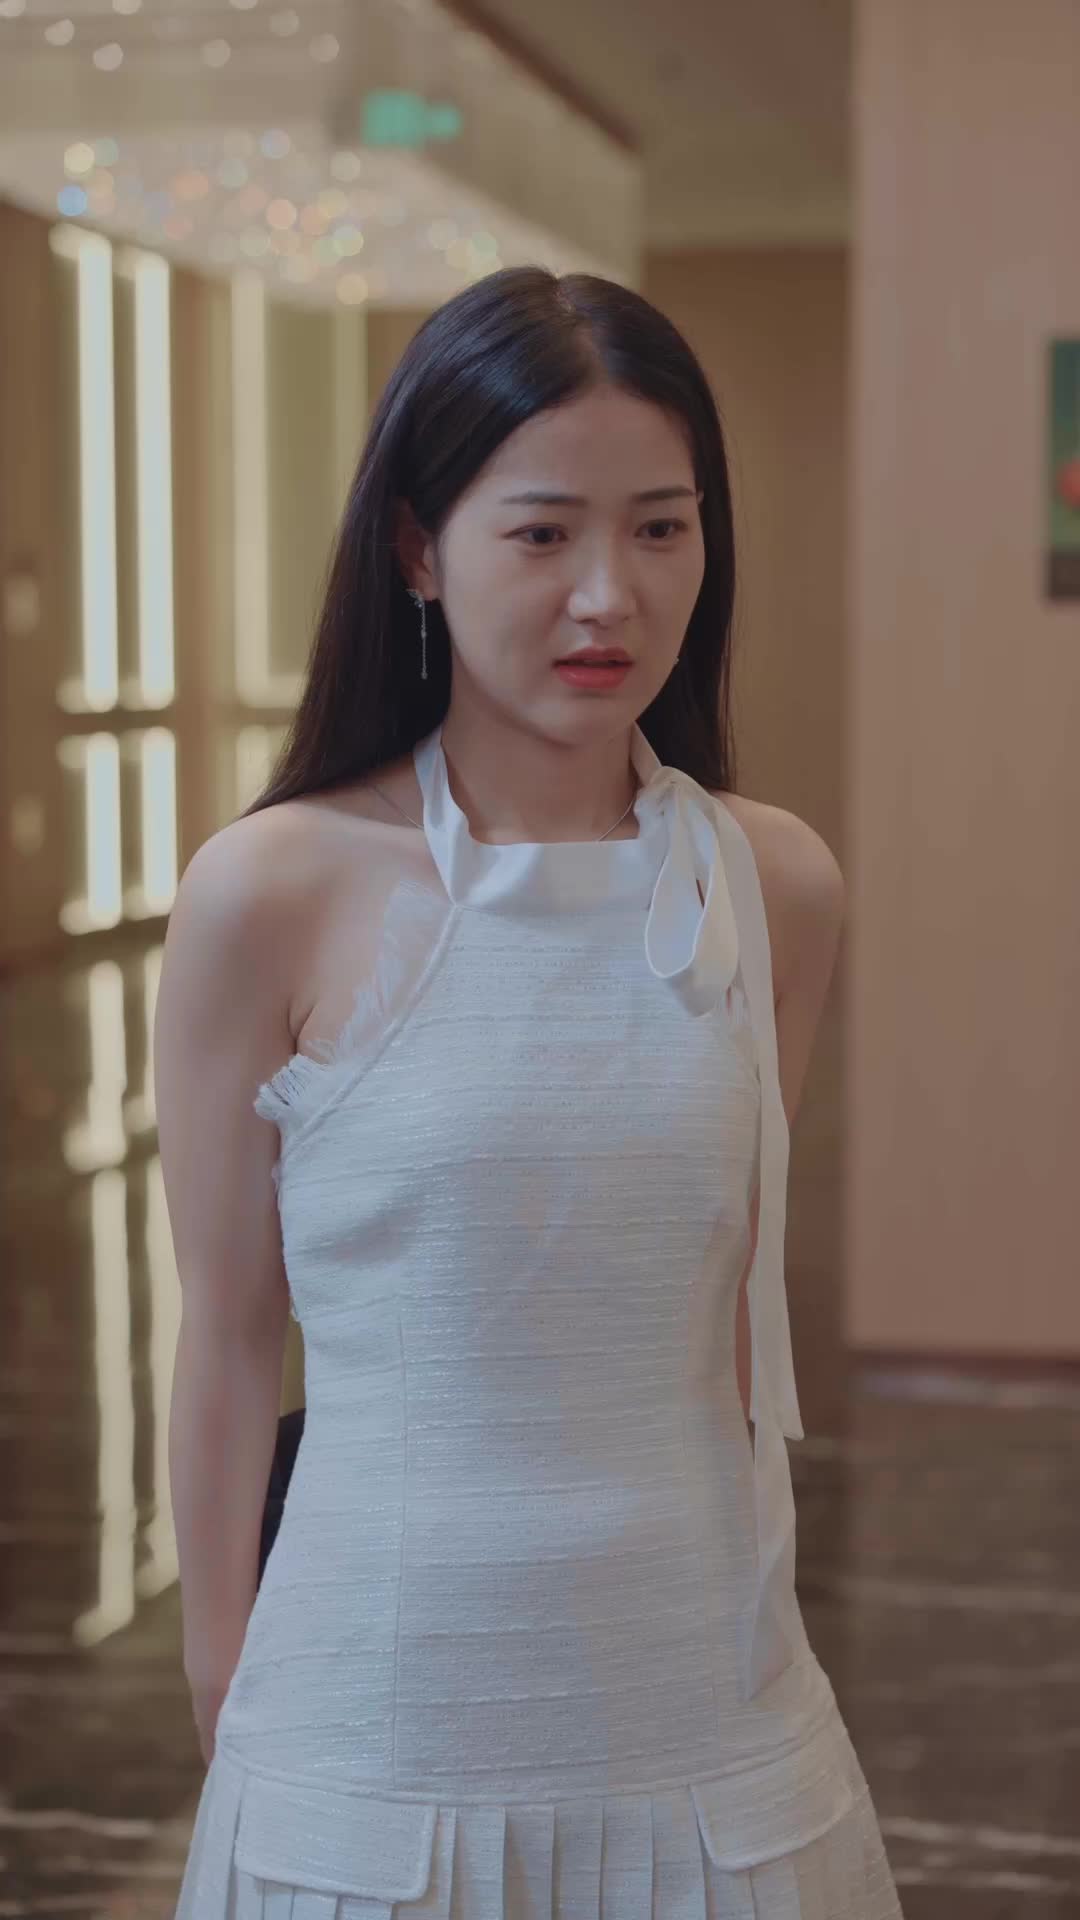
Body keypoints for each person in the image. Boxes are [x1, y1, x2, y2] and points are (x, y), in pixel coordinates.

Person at [156, 265, 903, 1918]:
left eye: (662, 529)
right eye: (543, 532)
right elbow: (227, 1332)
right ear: (419, 550)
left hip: (709, 1705)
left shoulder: (770, 887)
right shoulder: (270, 892)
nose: (608, 596)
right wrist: (223, 1677)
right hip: (373, 1715)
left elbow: (723, 1321)